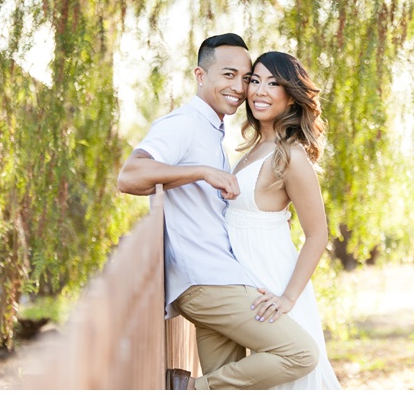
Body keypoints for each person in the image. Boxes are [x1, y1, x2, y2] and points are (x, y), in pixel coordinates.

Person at [117, 34, 319, 390]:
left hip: (221, 276)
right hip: (208, 280)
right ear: (200, 75)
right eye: (231, 75)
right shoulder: (184, 124)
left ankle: (195, 388)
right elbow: (130, 176)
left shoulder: (218, 136)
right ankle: (189, 388)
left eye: (246, 77)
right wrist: (201, 171)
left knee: (231, 383)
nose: (241, 87)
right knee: (300, 354)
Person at [226, 51, 341, 389]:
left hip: (273, 283)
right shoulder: (253, 148)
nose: (260, 91)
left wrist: (287, 298)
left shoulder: (290, 155)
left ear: (290, 95)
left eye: (272, 83)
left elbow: (318, 234)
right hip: (247, 279)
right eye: (255, 81)